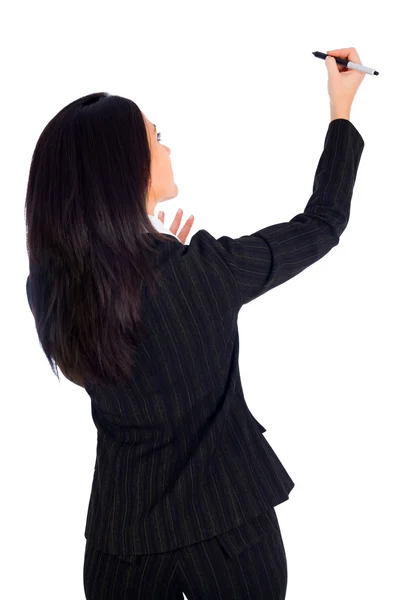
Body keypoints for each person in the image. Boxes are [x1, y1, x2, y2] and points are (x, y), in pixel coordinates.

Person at [26, 47, 366, 599]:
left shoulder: (46, 290)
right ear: (127, 170)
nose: (167, 146)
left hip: (121, 547)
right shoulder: (209, 273)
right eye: (156, 137)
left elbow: (132, 337)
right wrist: (341, 110)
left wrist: (160, 263)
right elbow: (324, 222)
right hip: (230, 532)